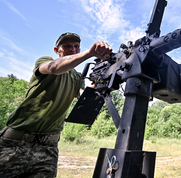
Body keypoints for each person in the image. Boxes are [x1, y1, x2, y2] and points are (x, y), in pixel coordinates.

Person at [0, 32, 112, 177]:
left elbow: (85, 98)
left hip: (48, 147)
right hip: (15, 143)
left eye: (76, 46)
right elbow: (54, 67)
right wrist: (89, 53)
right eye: (67, 46)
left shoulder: (77, 77)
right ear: (56, 50)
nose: (72, 49)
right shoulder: (45, 61)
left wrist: (106, 78)